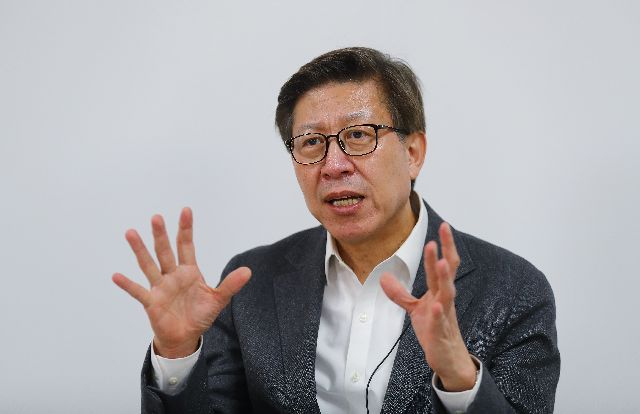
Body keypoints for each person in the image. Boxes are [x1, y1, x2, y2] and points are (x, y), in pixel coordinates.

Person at [113, 47, 560, 413]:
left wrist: (460, 379)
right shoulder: (251, 282)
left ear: (413, 152)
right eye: (311, 143)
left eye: (359, 136)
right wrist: (177, 355)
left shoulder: (513, 289)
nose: (334, 165)